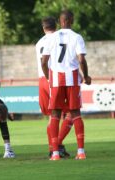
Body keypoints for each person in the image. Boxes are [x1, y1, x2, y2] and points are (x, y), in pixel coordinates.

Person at [41, 10, 91, 160]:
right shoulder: (77, 37)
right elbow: (81, 60)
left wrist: (49, 77)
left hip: (56, 80)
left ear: (60, 21)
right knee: (75, 114)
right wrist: (86, 75)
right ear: (72, 20)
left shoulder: (51, 38)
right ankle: (81, 152)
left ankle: (55, 153)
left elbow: (43, 62)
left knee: (55, 114)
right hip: (72, 79)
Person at [36, 17, 72, 158]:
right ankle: (56, 146)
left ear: (43, 28)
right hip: (55, 78)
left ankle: (56, 147)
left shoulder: (39, 43)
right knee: (70, 113)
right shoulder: (58, 39)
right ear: (56, 26)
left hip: (41, 80)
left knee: (53, 116)